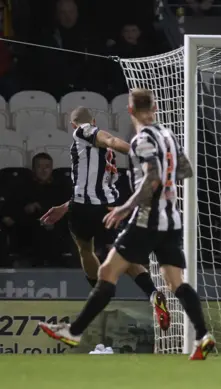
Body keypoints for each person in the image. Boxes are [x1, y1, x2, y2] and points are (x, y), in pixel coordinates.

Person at [38, 89, 215, 360]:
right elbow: (184, 171)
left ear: (130, 111)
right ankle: (203, 336)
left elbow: (150, 178)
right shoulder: (167, 136)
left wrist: (126, 205)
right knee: (175, 281)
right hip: (171, 218)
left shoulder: (141, 138)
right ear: (154, 107)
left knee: (107, 269)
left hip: (144, 218)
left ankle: (73, 331)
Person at [40, 106, 171, 331]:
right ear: (93, 118)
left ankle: (99, 294)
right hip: (105, 207)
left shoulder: (83, 131)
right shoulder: (99, 154)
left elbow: (110, 139)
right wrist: (64, 206)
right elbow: (94, 178)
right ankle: (152, 294)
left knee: (85, 249)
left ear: (76, 125)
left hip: (83, 208)